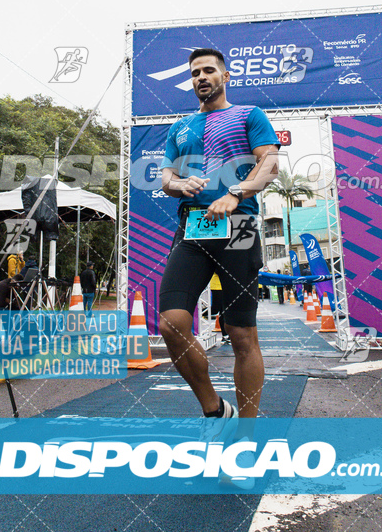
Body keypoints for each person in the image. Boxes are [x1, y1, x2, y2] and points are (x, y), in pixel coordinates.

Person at [159, 47, 279, 485]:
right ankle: (215, 410)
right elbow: (167, 177)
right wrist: (178, 183)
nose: (201, 77)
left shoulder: (250, 113)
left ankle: (244, 442)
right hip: (193, 225)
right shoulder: (180, 126)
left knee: (241, 332)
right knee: (172, 322)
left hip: (241, 223)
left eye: (209, 70)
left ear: (225, 75)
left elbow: (269, 163)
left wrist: (238, 192)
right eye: (194, 73)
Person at [210, 272, 228, 343]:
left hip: (225, 286)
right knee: (215, 309)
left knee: (223, 311)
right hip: (217, 286)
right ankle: (200, 314)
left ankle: (225, 335)